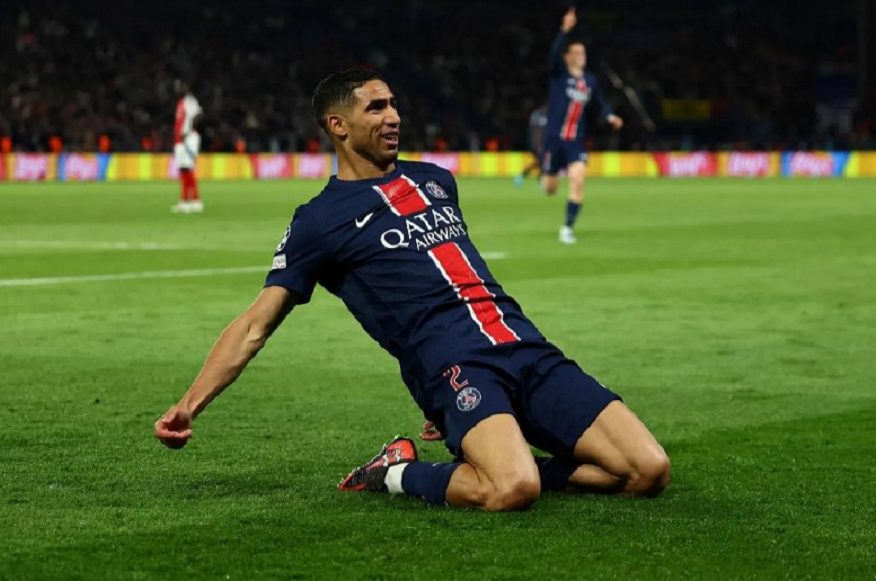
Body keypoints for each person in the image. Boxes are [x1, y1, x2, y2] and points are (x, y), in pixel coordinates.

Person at [154, 69, 669, 512]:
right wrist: (189, 405)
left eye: (394, 104)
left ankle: (500, 456)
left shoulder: (437, 180)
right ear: (338, 125)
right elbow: (254, 325)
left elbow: (446, 272)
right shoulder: (319, 221)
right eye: (376, 107)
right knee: (513, 490)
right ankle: (396, 472)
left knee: (647, 470)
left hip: (525, 346)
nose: (393, 116)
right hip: (456, 365)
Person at [542, 7, 623, 244]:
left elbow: (600, 103)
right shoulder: (559, 76)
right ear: (568, 57)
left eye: (583, 52)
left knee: (578, 182)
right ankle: (547, 176)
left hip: (576, 142)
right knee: (550, 188)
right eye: (576, 52)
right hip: (554, 140)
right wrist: (564, 31)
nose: (581, 55)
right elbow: (553, 54)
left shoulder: (590, 81)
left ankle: (567, 228)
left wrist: (610, 117)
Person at [172, 80, 204, 213]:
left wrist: (189, 129)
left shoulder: (189, 101)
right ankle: (185, 201)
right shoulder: (181, 103)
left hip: (187, 139)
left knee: (188, 169)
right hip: (180, 140)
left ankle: (195, 201)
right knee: (184, 171)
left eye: (180, 87)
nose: (178, 90)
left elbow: (200, 114)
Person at [514, 105, 548, 186]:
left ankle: (521, 176)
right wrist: (537, 145)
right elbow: (536, 131)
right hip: (537, 144)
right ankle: (541, 181)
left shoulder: (542, 114)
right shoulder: (540, 115)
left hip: (539, 143)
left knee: (539, 163)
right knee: (542, 162)